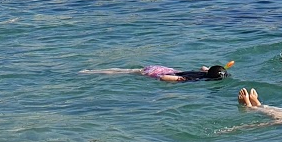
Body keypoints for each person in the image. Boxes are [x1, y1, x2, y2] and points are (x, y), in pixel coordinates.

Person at [83, 62, 233, 82]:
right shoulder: (191, 79)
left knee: (128, 71)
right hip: (158, 73)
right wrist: (177, 81)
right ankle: (90, 72)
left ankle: (91, 71)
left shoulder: (203, 73)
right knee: (125, 73)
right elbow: (163, 78)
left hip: (167, 68)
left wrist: (208, 69)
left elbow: (203, 68)